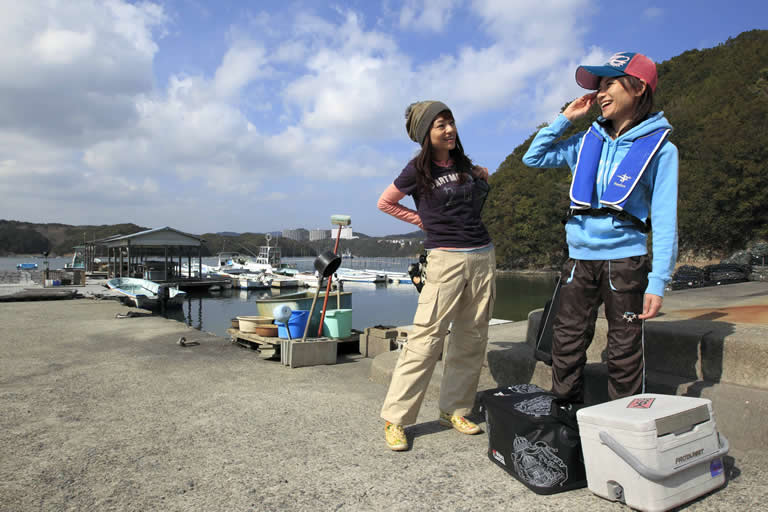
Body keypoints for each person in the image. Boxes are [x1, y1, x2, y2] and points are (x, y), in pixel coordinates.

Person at [522, 52, 679, 403]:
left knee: (624, 349)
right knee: (567, 341)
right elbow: (533, 157)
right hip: (578, 259)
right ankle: (564, 417)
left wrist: (659, 281)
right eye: (599, 87)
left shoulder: (662, 150)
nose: (601, 94)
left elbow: (667, 219)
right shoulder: (584, 142)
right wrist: (566, 118)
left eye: (609, 84)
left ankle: (624, 423)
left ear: (638, 88)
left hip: (626, 263)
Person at [378, 101, 495, 451]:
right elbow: (386, 202)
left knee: (472, 337)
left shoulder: (464, 165)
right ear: (426, 134)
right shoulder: (417, 169)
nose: (449, 130)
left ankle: (455, 410)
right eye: (440, 125)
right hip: (444, 259)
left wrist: (481, 177)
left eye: (451, 122)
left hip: (482, 255)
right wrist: (422, 221)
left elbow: (474, 194)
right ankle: (396, 419)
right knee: (426, 339)